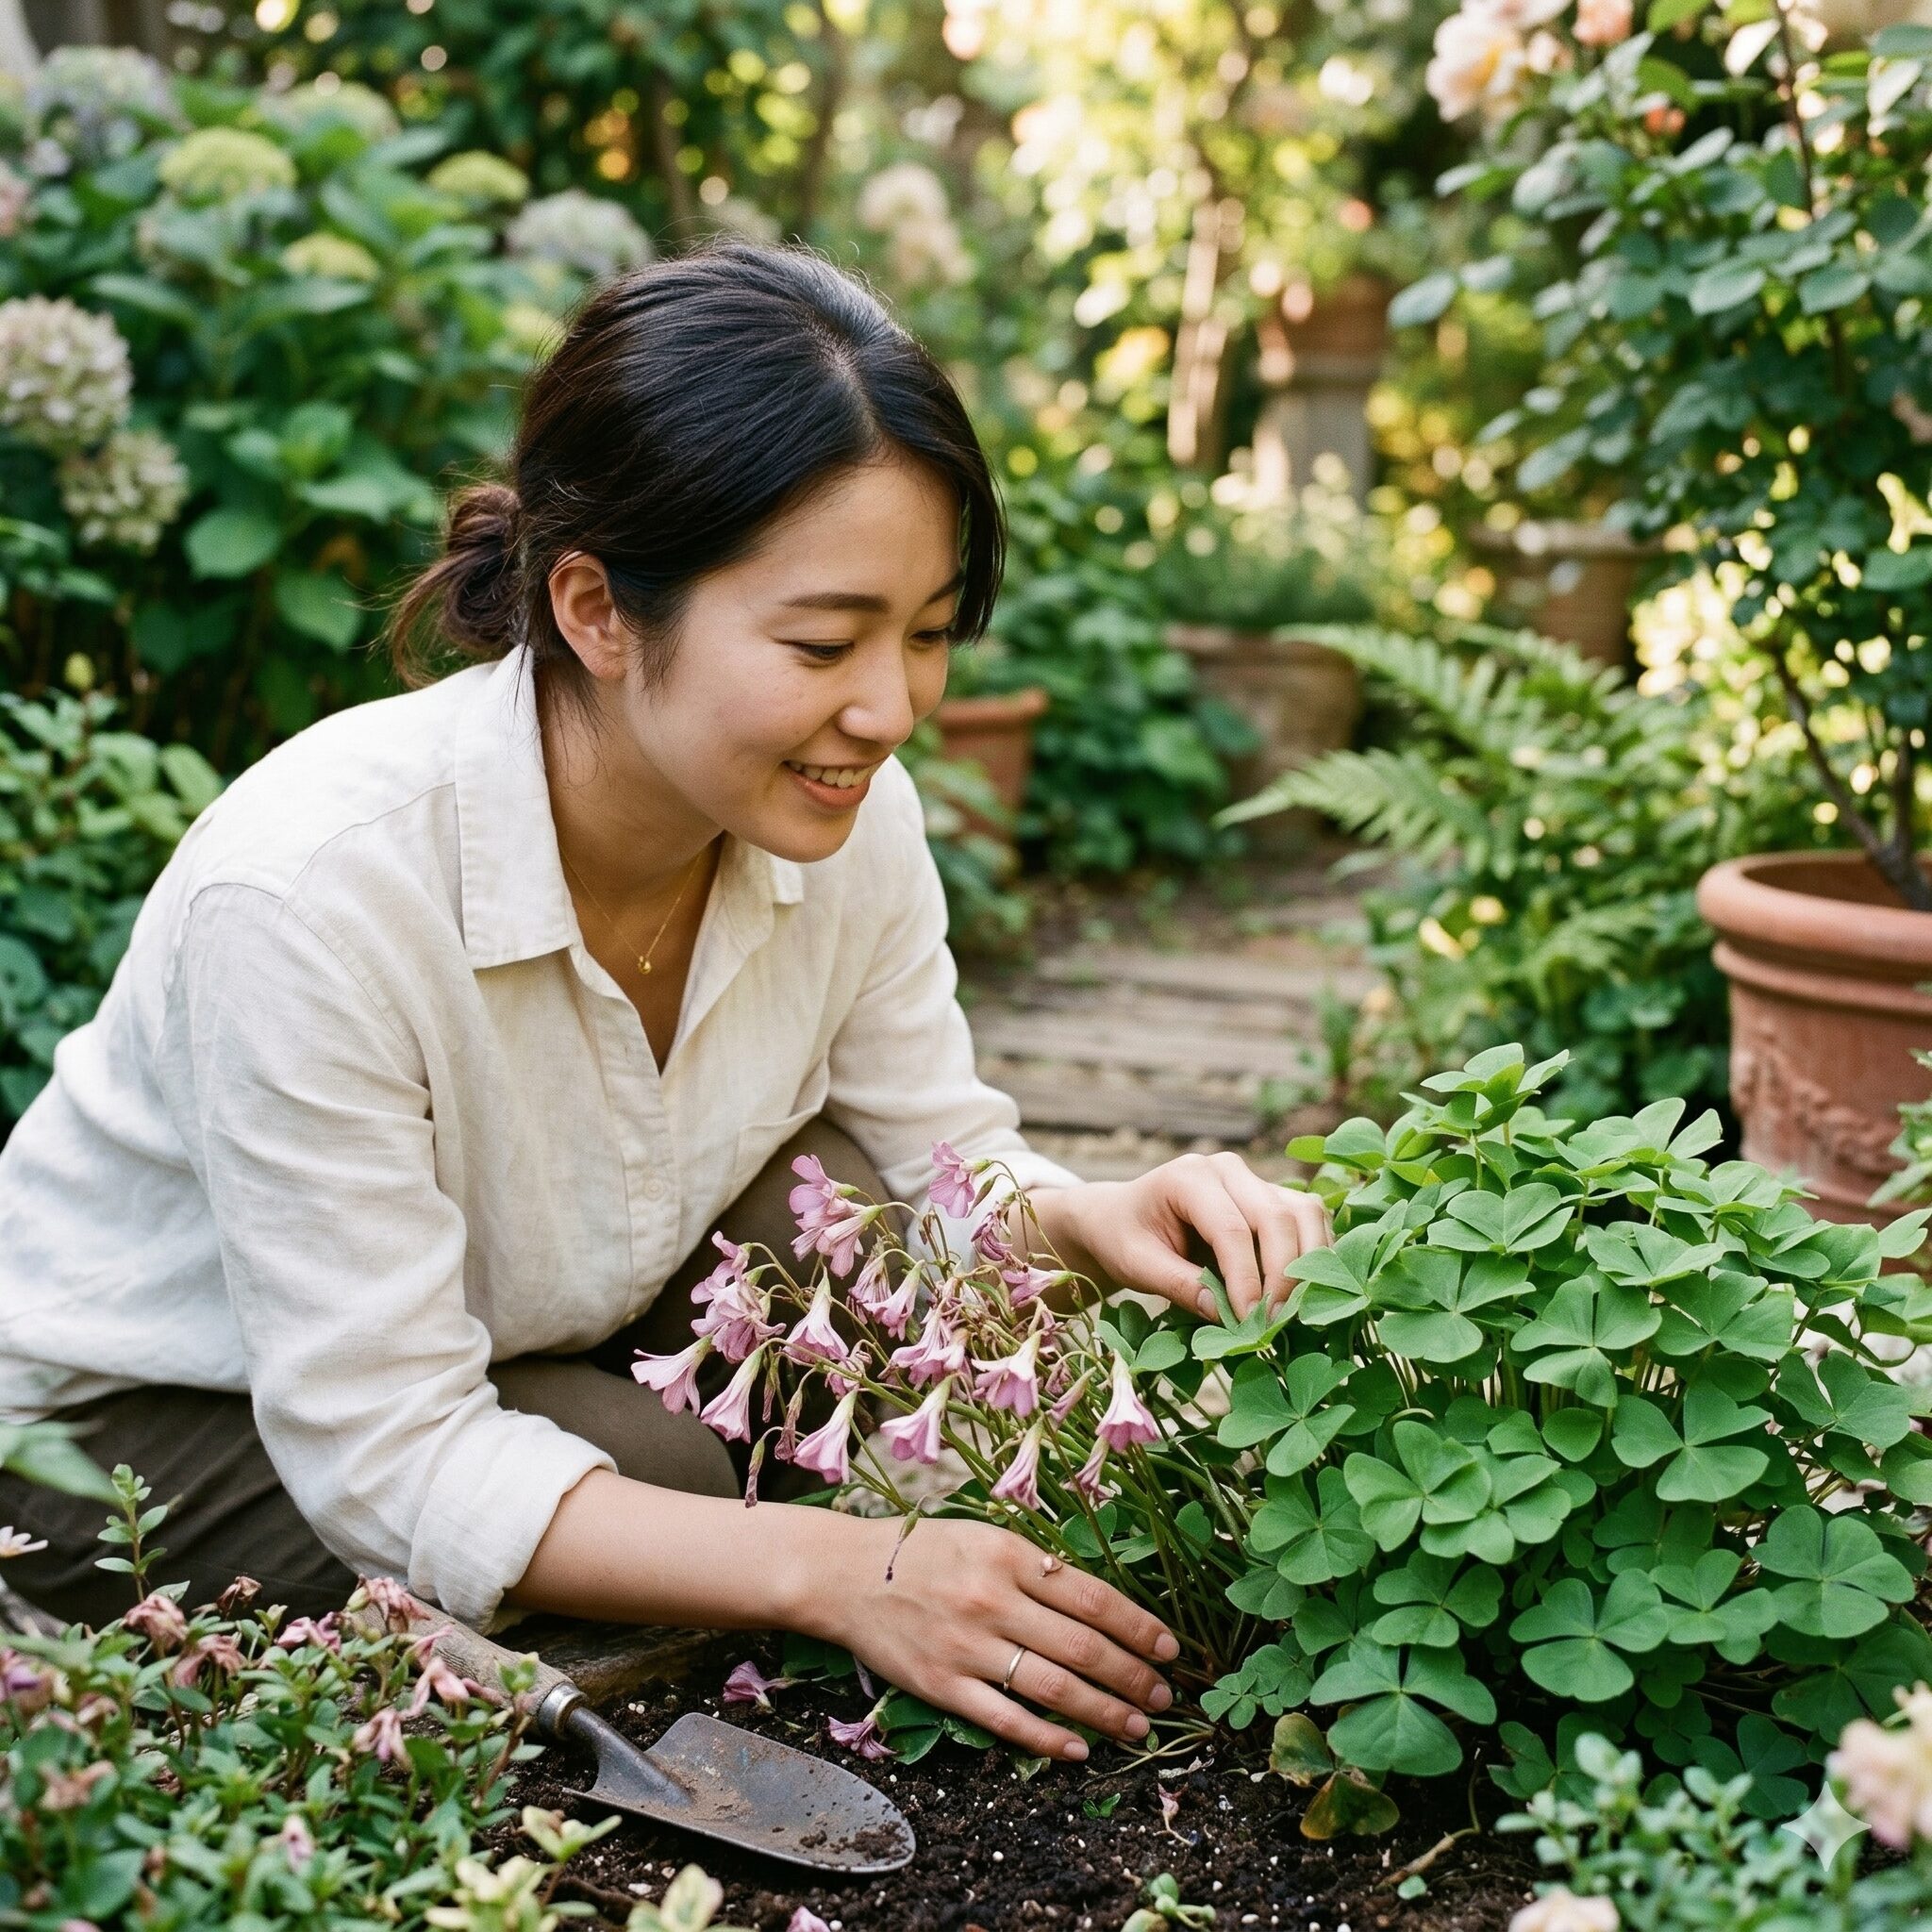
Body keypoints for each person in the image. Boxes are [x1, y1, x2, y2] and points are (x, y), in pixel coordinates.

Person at [0, 241, 1334, 1762]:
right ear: (596, 609)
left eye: (927, 633)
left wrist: (1094, 1216)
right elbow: (385, 1450)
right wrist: (848, 1570)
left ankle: (650, 1484)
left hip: (509, 1316)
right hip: (128, 1424)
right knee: (681, 1489)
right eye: (823, 643)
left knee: (833, 1234)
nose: (890, 709)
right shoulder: (314, 893)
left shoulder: (841, 817)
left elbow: (940, 1163)